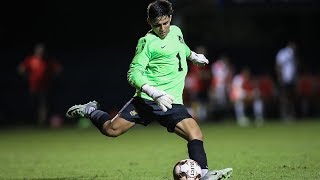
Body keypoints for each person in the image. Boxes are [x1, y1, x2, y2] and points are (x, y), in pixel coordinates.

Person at [66, 1, 232, 179]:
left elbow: (180, 47)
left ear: (170, 17)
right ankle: (91, 109)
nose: (162, 29)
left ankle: (204, 175)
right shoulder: (147, 42)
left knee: (196, 133)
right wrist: (153, 92)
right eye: (157, 25)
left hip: (171, 101)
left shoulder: (176, 31)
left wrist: (193, 56)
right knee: (111, 130)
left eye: (165, 23)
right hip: (147, 101)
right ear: (149, 22)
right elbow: (133, 74)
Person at [17, 42, 62, 126]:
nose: (41, 52)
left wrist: (52, 77)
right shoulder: (31, 60)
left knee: (43, 105)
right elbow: (21, 69)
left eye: (42, 51)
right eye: (39, 51)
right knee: (32, 104)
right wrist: (27, 77)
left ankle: (41, 123)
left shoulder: (48, 61)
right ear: (35, 51)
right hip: (32, 87)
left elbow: (58, 69)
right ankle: (30, 121)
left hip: (45, 87)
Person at [275, 41, 298, 121]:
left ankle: (291, 115)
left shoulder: (293, 54)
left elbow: (295, 67)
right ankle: (284, 115)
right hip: (284, 79)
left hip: (292, 80)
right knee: (284, 98)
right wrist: (280, 77)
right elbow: (278, 65)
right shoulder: (283, 53)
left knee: (292, 98)